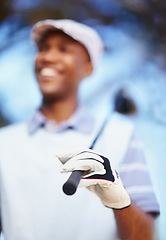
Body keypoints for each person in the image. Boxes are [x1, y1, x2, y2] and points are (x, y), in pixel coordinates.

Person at [0, 19, 160, 240]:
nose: (47, 57)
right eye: (43, 49)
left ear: (88, 68)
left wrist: (119, 201)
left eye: (63, 49)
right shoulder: (4, 143)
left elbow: (145, 237)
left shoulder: (121, 136)